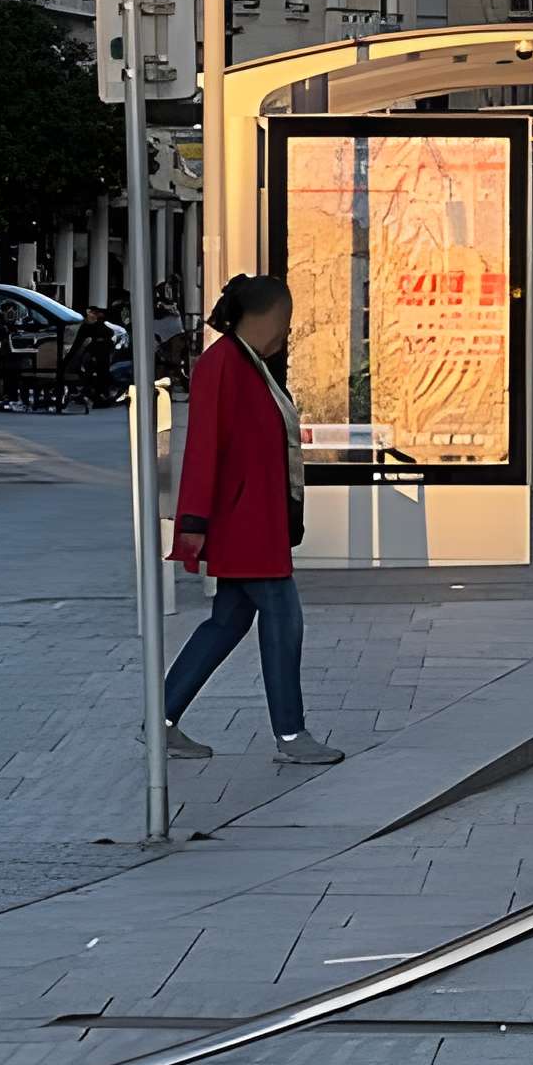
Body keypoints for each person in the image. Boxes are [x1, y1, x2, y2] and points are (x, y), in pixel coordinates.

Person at [162, 276, 343, 766]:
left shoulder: (250, 363)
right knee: (284, 619)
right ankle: (290, 733)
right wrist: (193, 525)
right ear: (261, 318)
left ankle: (160, 720)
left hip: (257, 522)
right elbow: (203, 448)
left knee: (227, 623)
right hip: (242, 525)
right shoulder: (223, 364)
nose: (287, 330)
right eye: (283, 320)